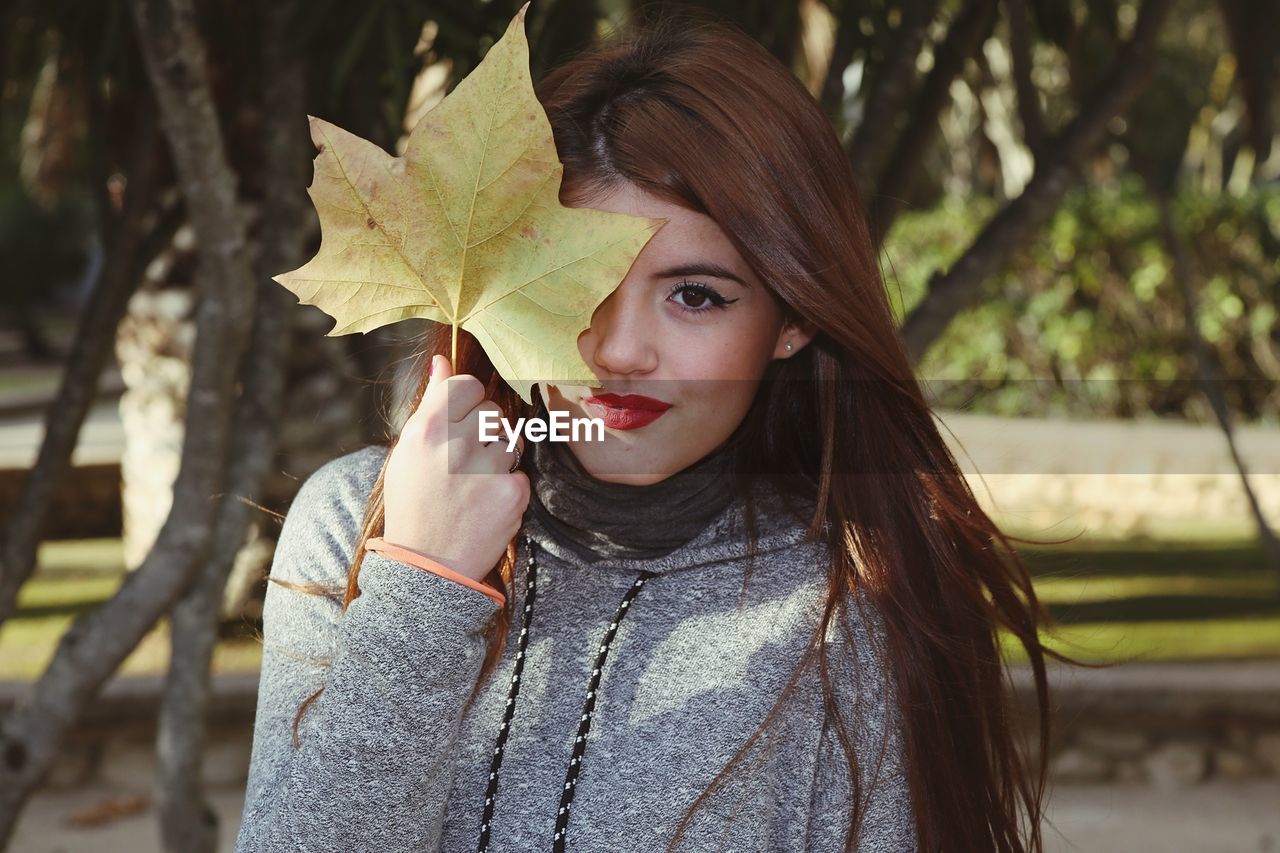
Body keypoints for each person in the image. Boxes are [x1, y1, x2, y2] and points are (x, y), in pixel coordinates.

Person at [235, 10, 1070, 853]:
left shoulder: (857, 601)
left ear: (793, 318)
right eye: (578, 285)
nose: (621, 351)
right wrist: (424, 585)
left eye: (696, 294)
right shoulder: (354, 522)